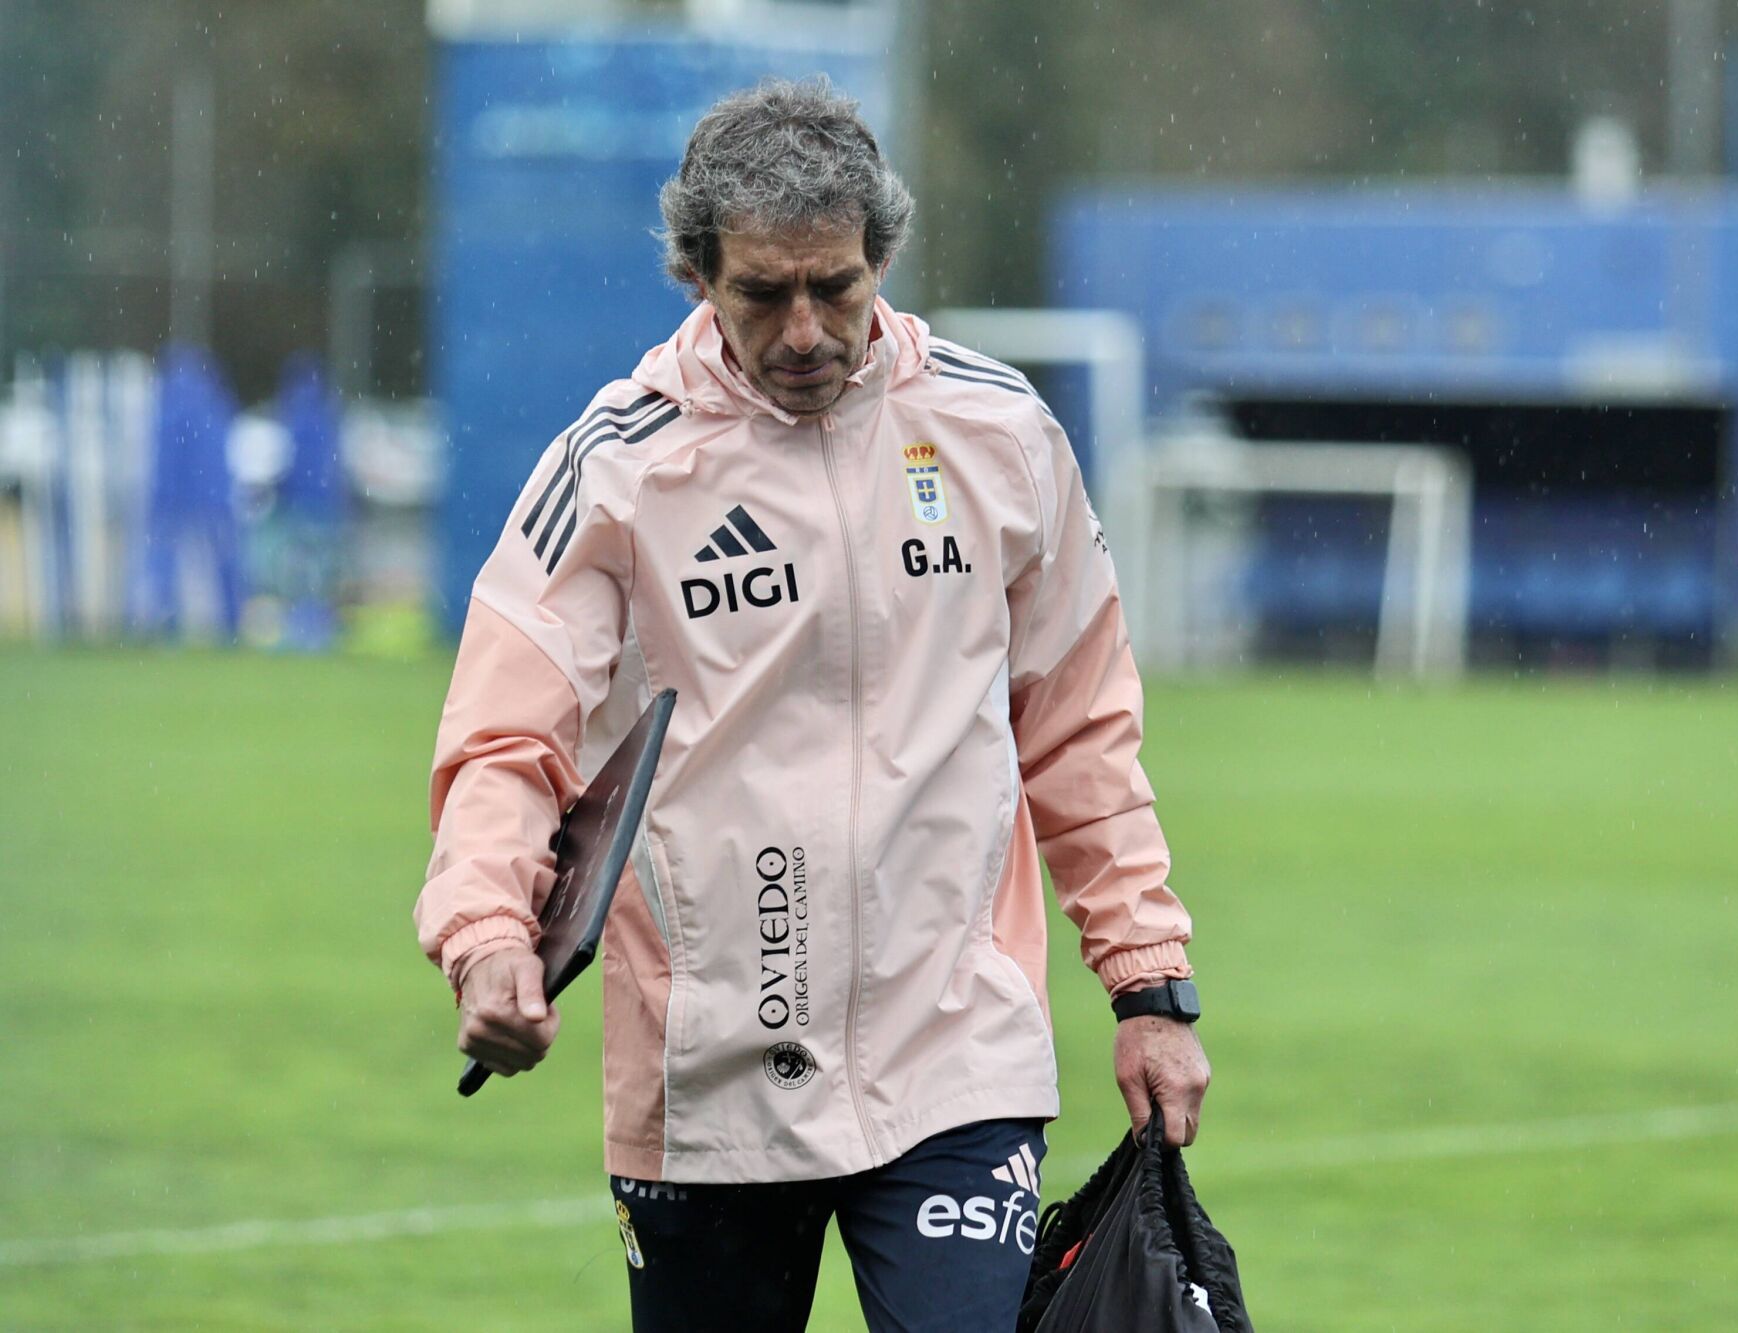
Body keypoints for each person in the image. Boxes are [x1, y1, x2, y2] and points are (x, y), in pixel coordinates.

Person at [415, 77, 1208, 1333]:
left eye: (832, 287)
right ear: (696, 277)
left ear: (879, 258)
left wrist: (1148, 986)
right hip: (707, 1068)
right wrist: (488, 934)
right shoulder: (614, 465)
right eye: (761, 293)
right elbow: (507, 740)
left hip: (954, 1051)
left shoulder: (999, 432)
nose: (802, 329)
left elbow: (1079, 731)